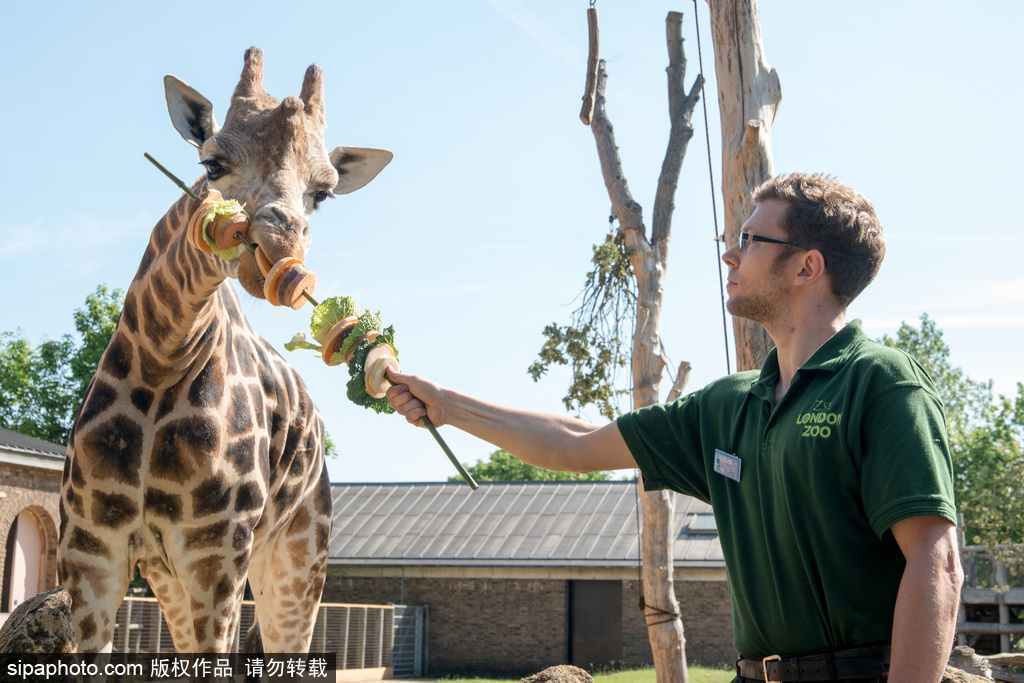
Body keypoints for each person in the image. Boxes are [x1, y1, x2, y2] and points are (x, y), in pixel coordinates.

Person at [386, 173, 963, 683]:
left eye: (750, 240)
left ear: (807, 267)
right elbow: (576, 444)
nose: (730, 256)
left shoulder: (881, 383)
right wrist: (446, 406)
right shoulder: (727, 405)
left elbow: (936, 562)